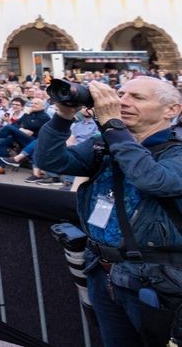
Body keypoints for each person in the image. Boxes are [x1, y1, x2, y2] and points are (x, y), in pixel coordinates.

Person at [38, 78, 182, 346]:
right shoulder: (104, 144)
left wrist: (113, 127)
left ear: (171, 110)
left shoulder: (176, 151)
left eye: (137, 97)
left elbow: (153, 179)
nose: (121, 102)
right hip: (103, 273)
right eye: (120, 94)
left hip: (160, 282)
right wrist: (63, 115)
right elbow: (50, 160)